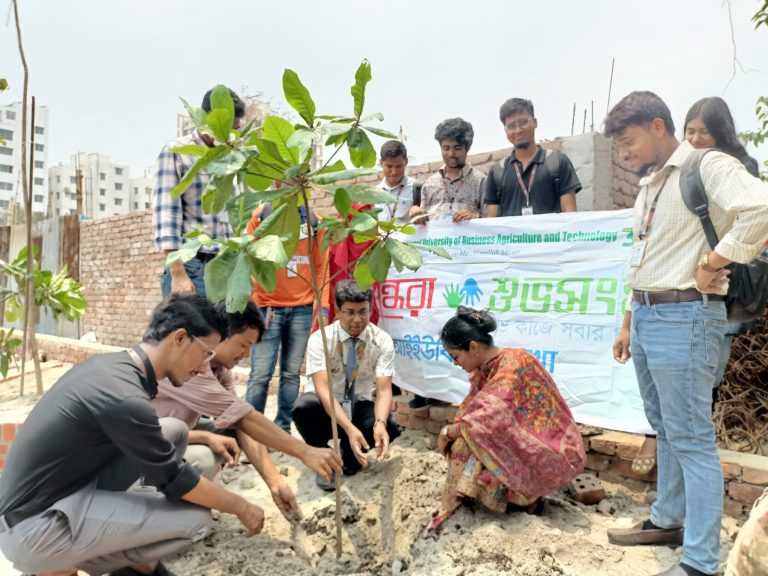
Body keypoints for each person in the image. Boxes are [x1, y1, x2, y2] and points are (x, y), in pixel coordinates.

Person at [605, 91, 768, 576]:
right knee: (666, 428)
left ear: (658, 126)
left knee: (692, 438)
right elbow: (643, 258)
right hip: (650, 315)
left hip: (688, 317)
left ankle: (699, 561)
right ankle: (667, 519)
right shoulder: (650, 184)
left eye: (628, 141)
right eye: (616, 147)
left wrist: (714, 262)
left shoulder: (706, 164)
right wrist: (629, 320)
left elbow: (760, 208)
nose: (624, 153)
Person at [0, 294, 265, 576]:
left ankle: (124, 555)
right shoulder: (124, 396)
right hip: (32, 529)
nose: (203, 368)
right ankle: (76, 562)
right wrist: (241, 507)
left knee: (172, 430)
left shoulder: (114, 368)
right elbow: (176, 479)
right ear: (179, 338)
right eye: (205, 354)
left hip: (48, 497)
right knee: (195, 518)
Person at [630, 96, 763, 477]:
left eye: (705, 131)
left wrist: (712, 263)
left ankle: (692, 452)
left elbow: (754, 216)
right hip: (674, 296)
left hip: (715, 293)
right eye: (691, 131)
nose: (696, 138)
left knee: (698, 392)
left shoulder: (729, 168)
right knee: (674, 408)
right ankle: (673, 497)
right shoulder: (669, 177)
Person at [152, 300, 342, 521]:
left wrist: (275, 483)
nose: (247, 355)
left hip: (172, 433)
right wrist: (305, 451)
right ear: (221, 335)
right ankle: (158, 506)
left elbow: (241, 424)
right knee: (203, 459)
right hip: (141, 448)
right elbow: (246, 419)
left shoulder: (220, 370)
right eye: (243, 345)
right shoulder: (191, 360)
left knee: (232, 432)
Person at [428, 307, 586, 531]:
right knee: (468, 433)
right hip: (530, 443)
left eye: (455, 356)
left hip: (550, 452)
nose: (455, 363)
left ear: (472, 347)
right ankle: (503, 498)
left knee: (466, 439)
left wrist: (448, 432)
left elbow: (486, 419)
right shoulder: (493, 366)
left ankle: (521, 498)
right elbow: (476, 412)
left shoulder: (511, 365)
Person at [291, 279, 401, 491]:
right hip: (325, 406)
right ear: (337, 310)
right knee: (302, 407)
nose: (358, 319)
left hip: (359, 403)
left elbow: (384, 389)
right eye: (350, 312)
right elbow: (323, 390)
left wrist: (379, 422)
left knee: (391, 426)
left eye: (363, 311)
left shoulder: (382, 340)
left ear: (371, 309)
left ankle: (349, 459)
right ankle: (323, 458)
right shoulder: (320, 339)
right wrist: (350, 429)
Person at [153, 87, 246, 297]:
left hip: (227, 265)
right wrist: (177, 273)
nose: (233, 135)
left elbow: (236, 216)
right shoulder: (177, 151)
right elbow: (166, 214)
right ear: (209, 120)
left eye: (237, 129)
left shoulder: (232, 157)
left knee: (226, 331)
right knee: (192, 330)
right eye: (229, 128)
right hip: (193, 265)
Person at [244, 205, 329, 433]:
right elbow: (247, 253)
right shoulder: (263, 215)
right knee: (260, 374)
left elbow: (321, 266)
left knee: (291, 374)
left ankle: (282, 429)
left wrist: (323, 307)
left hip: (301, 307)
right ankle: (253, 433)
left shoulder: (314, 219)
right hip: (267, 307)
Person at [484, 98, 581, 217]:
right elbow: (491, 223)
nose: (518, 130)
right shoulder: (497, 171)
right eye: (511, 126)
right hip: (511, 236)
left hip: (549, 236)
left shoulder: (558, 162)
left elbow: (570, 217)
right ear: (505, 131)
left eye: (523, 122)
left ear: (535, 122)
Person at [409, 117, 486, 224]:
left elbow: (490, 222)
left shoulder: (481, 182)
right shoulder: (429, 184)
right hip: (436, 241)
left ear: (467, 148)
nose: (451, 154)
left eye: (457, 148)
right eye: (446, 148)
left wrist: (475, 218)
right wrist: (417, 214)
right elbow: (423, 223)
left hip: (467, 240)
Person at [376, 139, 420, 225]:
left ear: (406, 162)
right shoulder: (373, 194)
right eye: (389, 166)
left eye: (399, 166)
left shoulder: (418, 189)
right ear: (381, 163)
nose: (394, 171)